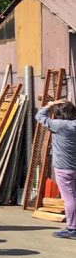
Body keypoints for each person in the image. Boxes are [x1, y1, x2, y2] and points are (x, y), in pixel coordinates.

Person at [35, 100, 76, 239]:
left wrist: (50, 104)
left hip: (64, 168)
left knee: (69, 199)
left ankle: (72, 228)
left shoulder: (58, 125)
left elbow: (39, 116)